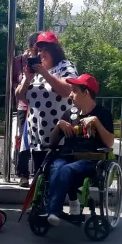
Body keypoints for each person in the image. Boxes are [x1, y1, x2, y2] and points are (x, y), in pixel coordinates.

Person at [43, 74, 115, 226]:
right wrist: (58, 126)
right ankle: (54, 210)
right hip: (67, 155)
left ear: (86, 92)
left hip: (90, 159)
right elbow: (52, 143)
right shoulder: (70, 114)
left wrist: (96, 122)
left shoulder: (103, 114)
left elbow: (109, 143)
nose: (70, 94)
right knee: (56, 167)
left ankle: (53, 211)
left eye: (74, 91)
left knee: (66, 170)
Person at [20, 31, 79, 196]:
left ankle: (65, 202)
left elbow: (67, 90)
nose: (42, 54)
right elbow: (20, 96)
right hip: (37, 135)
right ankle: (41, 205)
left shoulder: (65, 66)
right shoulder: (34, 71)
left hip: (60, 136)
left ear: (55, 51)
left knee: (58, 174)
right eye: (39, 50)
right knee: (41, 176)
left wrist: (45, 74)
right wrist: (27, 78)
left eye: (46, 50)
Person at [14, 32, 41, 186]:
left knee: (39, 142)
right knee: (24, 140)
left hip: (40, 108)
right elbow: (14, 81)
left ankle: (39, 175)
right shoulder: (20, 61)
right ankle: (23, 174)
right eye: (34, 49)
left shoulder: (48, 61)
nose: (36, 53)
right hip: (24, 106)